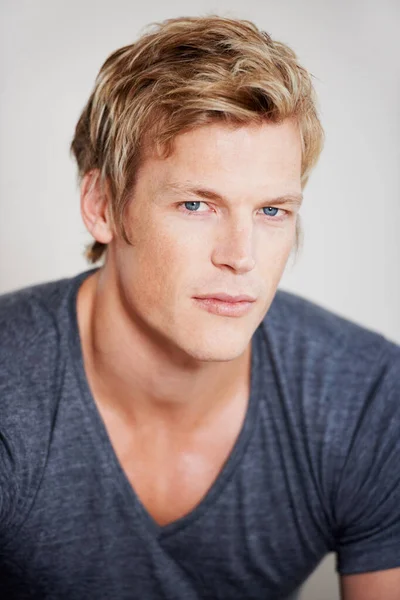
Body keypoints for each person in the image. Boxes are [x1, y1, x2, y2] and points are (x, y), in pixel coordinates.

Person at [0, 14, 399, 600]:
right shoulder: (11, 393)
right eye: (196, 205)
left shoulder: (367, 398)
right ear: (103, 205)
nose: (242, 258)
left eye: (271, 211)